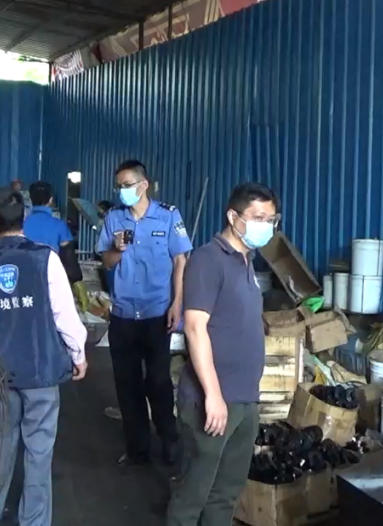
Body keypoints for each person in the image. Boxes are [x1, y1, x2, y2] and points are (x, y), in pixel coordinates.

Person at [167, 182, 278, 526]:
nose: (266, 226)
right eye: (258, 217)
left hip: (244, 399)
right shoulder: (207, 260)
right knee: (192, 495)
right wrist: (213, 395)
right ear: (233, 216)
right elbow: (194, 328)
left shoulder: (246, 261)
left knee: (225, 495)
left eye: (271, 219)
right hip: (212, 401)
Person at [0, 187, 88, 526]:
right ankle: (34, 521)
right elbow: (64, 314)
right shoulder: (44, 258)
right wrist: (78, 354)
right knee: (38, 454)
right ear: (23, 217)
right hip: (40, 372)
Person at [97, 160, 192, 467]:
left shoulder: (168, 215)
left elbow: (180, 261)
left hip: (156, 313)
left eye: (127, 185)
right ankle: (138, 450)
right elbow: (106, 262)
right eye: (119, 186)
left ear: (143, 185)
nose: (122, 191)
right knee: (127, 386)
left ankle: (169, 442)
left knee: (158, 382)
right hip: (123, 314)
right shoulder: (114, 218)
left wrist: (177, 303)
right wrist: (116, 249)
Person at [23, 181, 73, 252]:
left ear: (30, 200)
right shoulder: (60, 225)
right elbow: (67, 253)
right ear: (51, 200)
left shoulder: (21, 224)